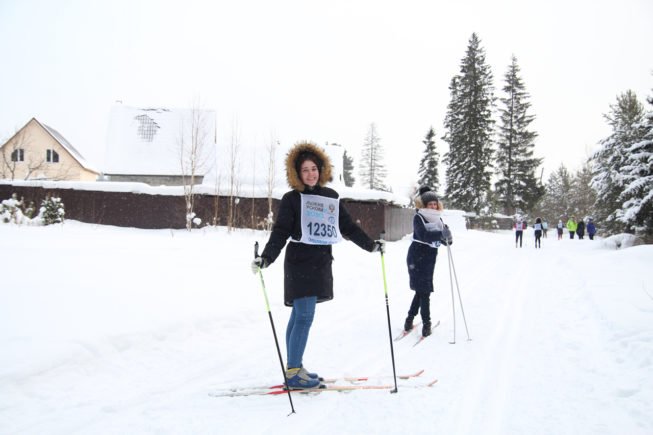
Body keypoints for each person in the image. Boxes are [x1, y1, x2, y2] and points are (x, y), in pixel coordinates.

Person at [251, 141, 384, 390]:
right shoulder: (292, 199)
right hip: (299, 262)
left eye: (314, 169)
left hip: (320, 262)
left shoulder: (330, 197)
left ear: (321, 170)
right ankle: (293, 372)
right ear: (297, 174)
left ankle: (295, 367)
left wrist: (370, 245)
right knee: (303, 316)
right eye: (305, 170)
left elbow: (347, 227)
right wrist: (266, 257)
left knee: (299, 315)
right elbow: (280, 231)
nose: (311, 174)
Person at [404, 186, 452, 338]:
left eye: (435, 203)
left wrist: (448, 237)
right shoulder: (419, 217)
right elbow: (423, 235)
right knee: (425, 292)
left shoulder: (438, 218)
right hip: (417, 257)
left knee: (421, 291)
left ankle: (409, 320)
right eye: (430, 204)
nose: (433, 206)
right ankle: (426, 324)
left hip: (430, 259)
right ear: (424, 205)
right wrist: (440, 234)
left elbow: (443, 239)